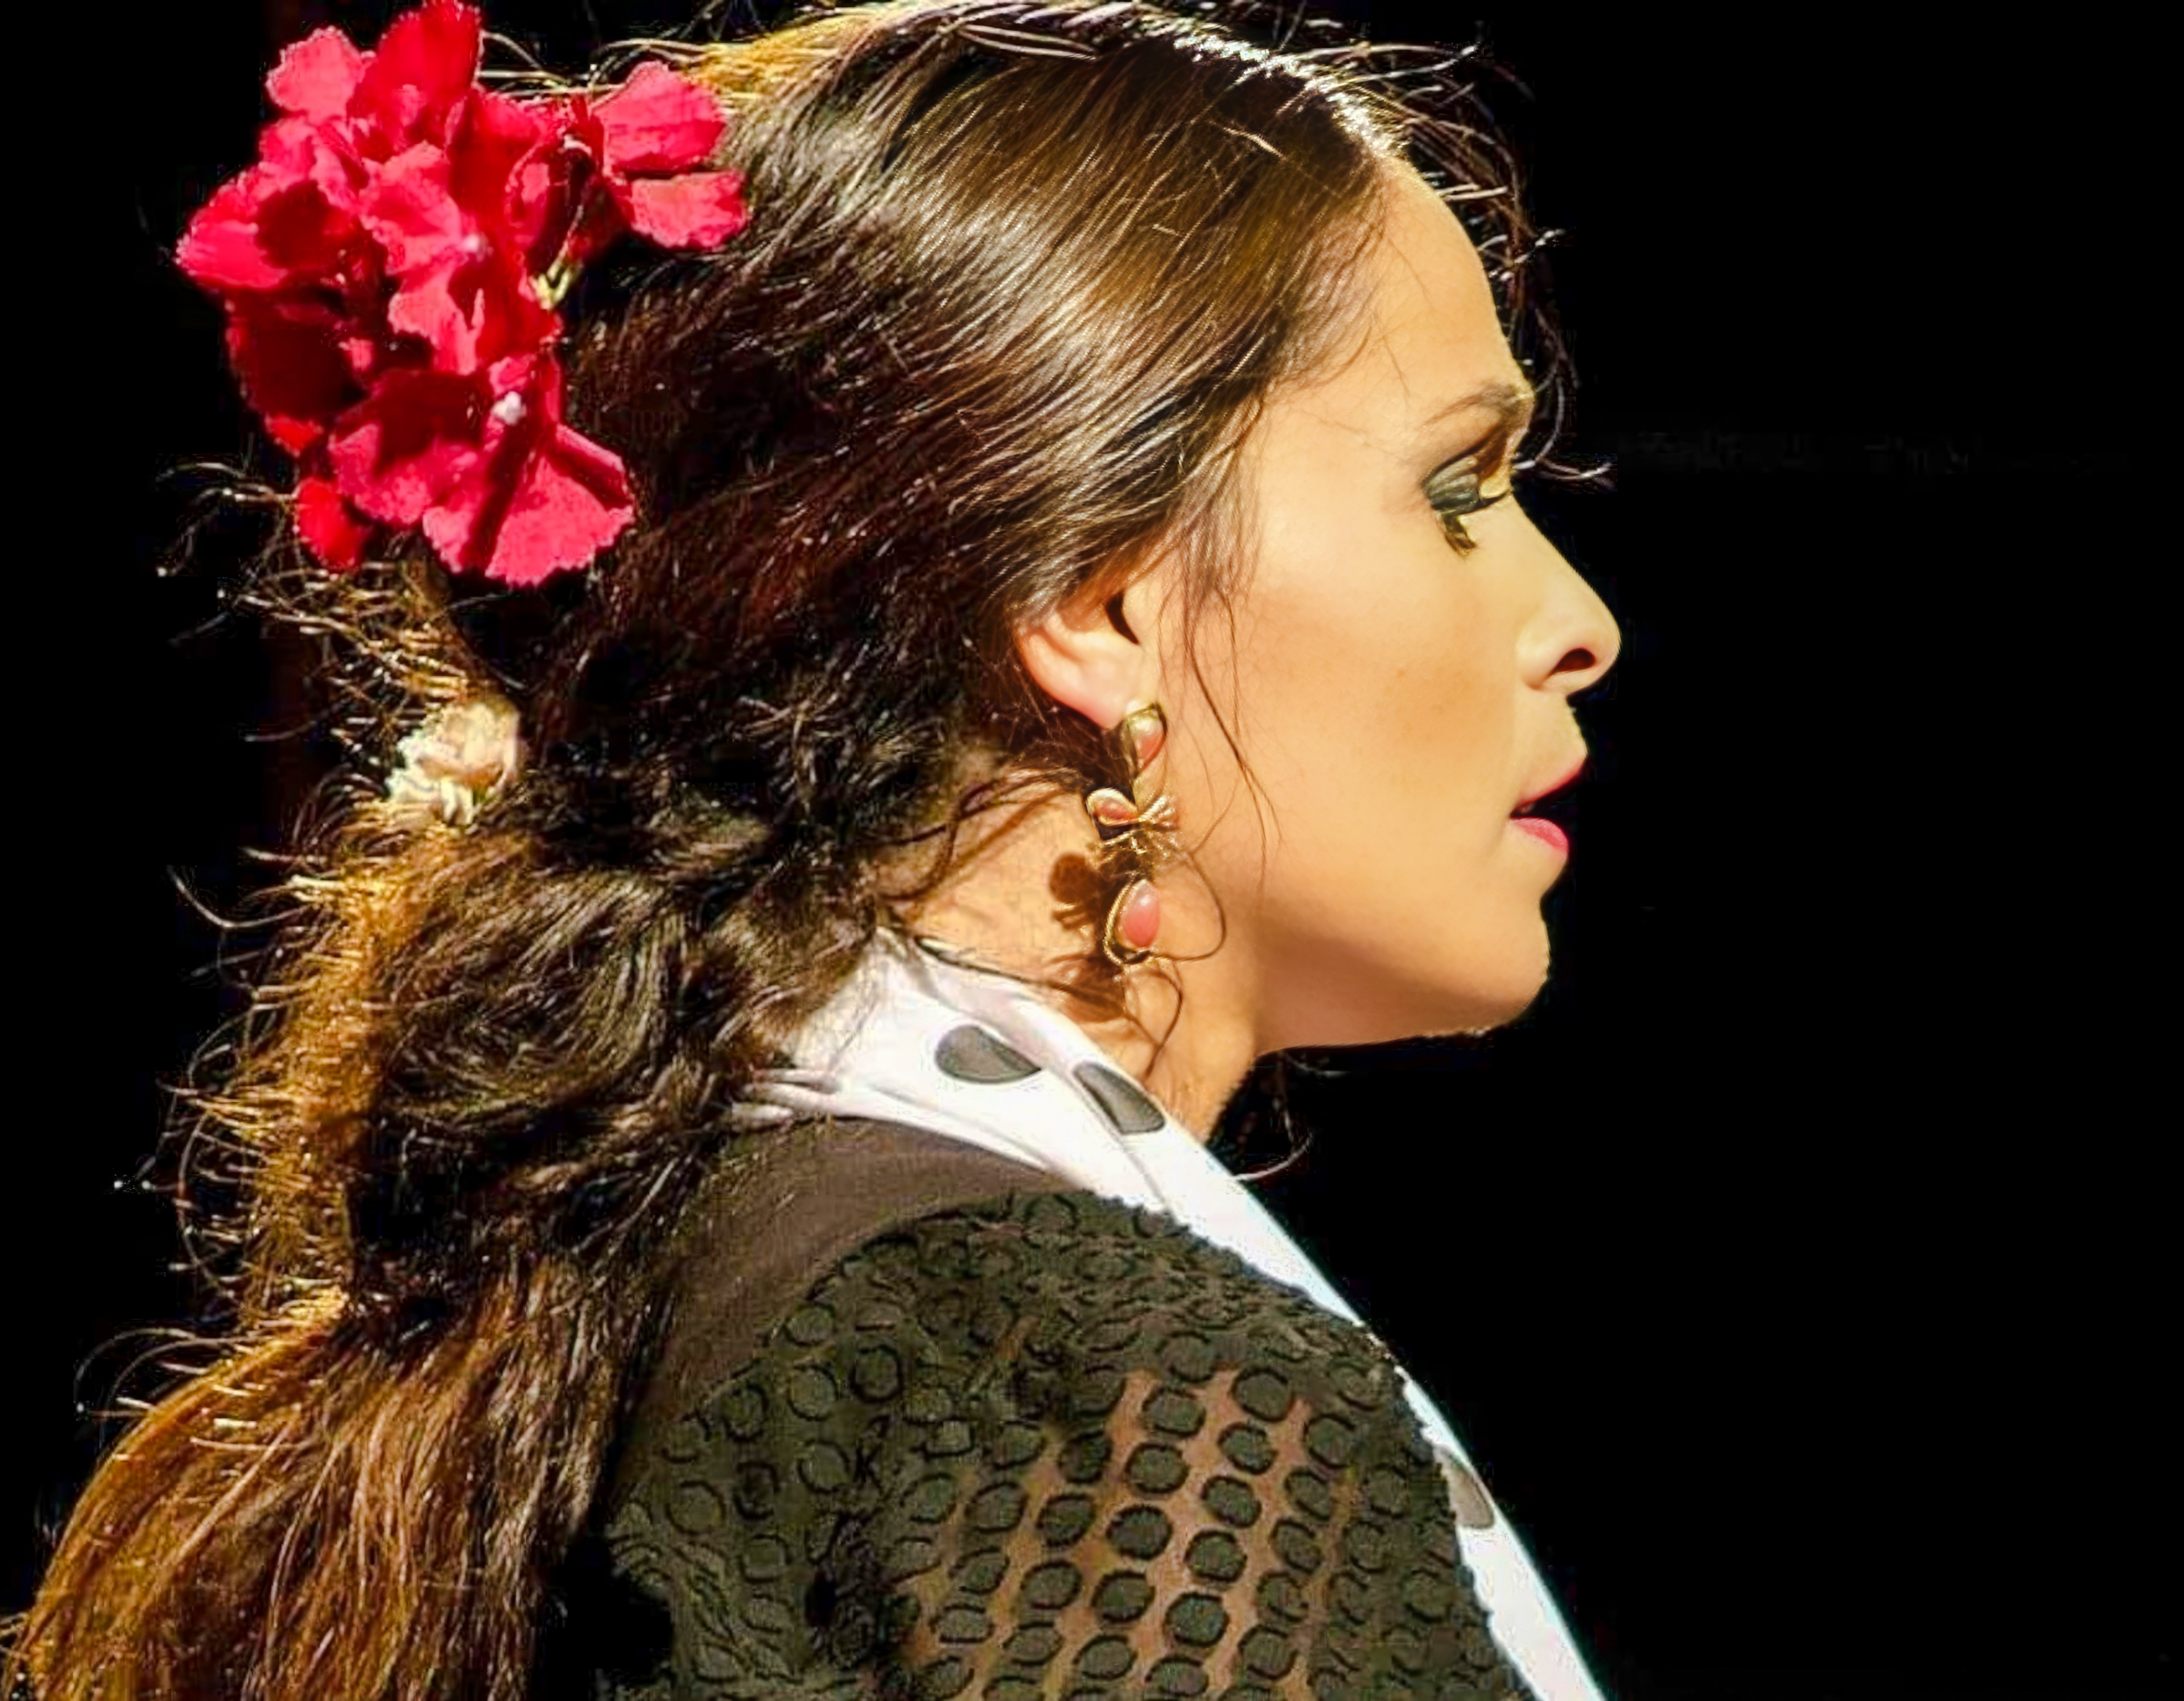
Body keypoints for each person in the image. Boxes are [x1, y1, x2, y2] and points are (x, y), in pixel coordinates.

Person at [6, 1, 1620, 1696]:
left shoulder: (627, 1295)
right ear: (1101, 601)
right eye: (1456, 491)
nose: (1569, 620)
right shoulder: (1081, 1403)